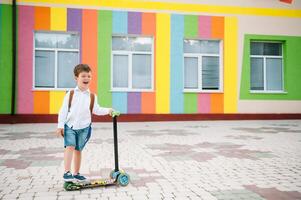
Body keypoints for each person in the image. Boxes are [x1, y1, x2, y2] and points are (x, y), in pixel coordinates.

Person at [56, 63, 113, 182]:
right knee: (70, 146)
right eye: (83, 76)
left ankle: (76, 173)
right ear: (76, 78)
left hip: (84, 127)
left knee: (78, 150)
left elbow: (96, 110)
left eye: (89, 76)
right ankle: (67, 172)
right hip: (70, 126)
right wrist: (60, 125)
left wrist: (108, 110)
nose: (86, 78)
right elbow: (63, 110)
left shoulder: (92, 96)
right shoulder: (70, 94)